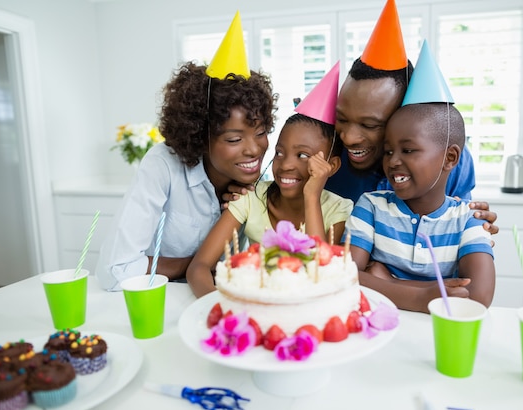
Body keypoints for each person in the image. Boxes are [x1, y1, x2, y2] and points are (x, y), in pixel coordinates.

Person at [96, 12, 277, 290]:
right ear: (199, 137)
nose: (254, 149)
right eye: (233, 139)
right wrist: (197, 264)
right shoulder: (163, 166)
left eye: (261, 132)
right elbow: (115, 270)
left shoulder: (258, 183)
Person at [346, 41, 495, 313]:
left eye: (370, 124)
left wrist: (386, 282)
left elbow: (475, 296)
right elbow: (344, 276)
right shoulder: (370, 205)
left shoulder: (466, 216)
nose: (392, 160)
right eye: (389, 150)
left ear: (450, 158)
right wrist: (428, 293)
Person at [325, 0, 498, 235]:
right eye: (342, 119)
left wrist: (472, 228)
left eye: (370, 124)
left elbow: (457, 227)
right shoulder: (328, 156)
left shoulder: (444, 158)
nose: (349, 137)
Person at [186, 63, 353, 297]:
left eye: (302, 155)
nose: (285, 165)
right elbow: (199, 267)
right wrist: (217, 307)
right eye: (280, 152)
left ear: (332, 166)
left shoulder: (337, 209)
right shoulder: (250, 198)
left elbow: (322, 273)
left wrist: (312, 195)